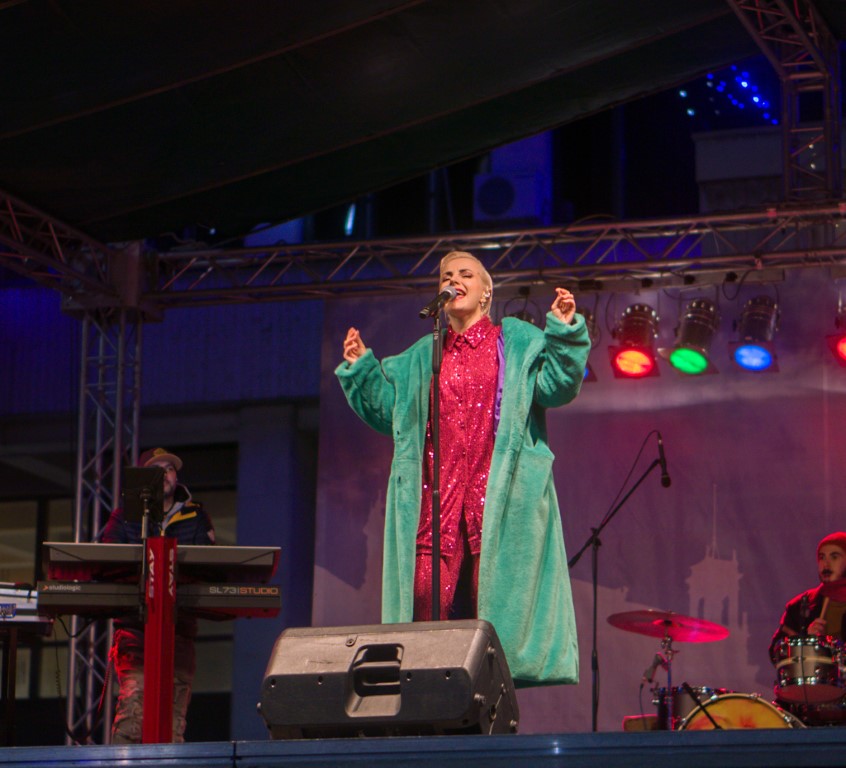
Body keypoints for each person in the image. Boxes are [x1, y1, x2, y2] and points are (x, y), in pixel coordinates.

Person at [335, 250, 590, 685]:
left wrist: (564, 333)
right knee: (424, 618)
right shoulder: (423, 357)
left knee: (490, 628)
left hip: (499, 511)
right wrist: (362, 370)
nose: (454, 280)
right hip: (437, 512)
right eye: (446, 276)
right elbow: (392, 414)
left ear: (486, 291)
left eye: (466, 274)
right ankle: (426, 713)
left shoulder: (515, 344)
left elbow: (556, 387)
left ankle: (485, 716)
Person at [100, 447, 215, 743]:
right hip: (135, 629)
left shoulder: (197, 516)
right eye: (156, 469)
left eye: (170, 469)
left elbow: (210, 569)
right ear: (142, 478)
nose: (165, 474)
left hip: (180, 630)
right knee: (132, 717)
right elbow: (106, 564)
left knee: (173, 724)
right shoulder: (124, 517)